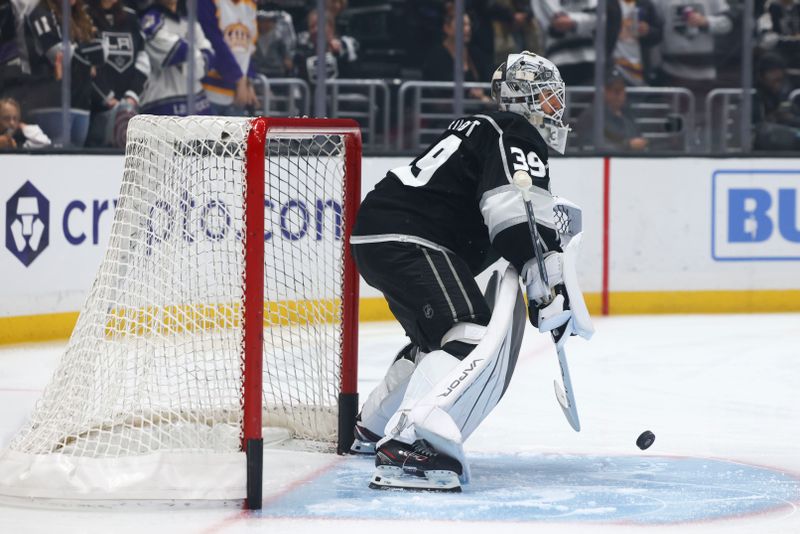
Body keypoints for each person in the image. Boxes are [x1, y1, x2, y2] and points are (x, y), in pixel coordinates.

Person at [348, 51, 594, 492]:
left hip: (381, 231)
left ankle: (370, 427)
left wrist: (545, 285)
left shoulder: (483, 126)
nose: (558, 111)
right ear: (528, 100)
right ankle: (411, 444)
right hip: (411, 237)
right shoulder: (515, 132)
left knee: (437, 342)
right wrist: (548, 289)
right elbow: (515, 218)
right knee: (469, 335)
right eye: (551, 101)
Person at [85, 0, 149, 147]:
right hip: (95, 111)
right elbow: (87, 63)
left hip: (128, 111)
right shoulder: (85, 15)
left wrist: (132, 96)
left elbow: (143, 60)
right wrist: (107, 97)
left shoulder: (131, 17)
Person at [139, 0, 214, 115]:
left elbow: (209, 55)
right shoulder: (149, 20)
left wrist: (191, 56)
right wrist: (195, 53)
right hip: (162, 103)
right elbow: (175, 52)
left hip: (198, 102)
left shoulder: (189, 21)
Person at [197, 0, 259, 115]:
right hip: (207, 93)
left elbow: (249, 46)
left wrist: (248, 81)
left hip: (237, 95)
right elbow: (213, 42)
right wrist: (239, 79)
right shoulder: (207, 2)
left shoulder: (249, 5)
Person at [422, 7, 492, 104]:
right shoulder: (436, 56)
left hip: (474, 111)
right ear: (447, 28)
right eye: (462, 25)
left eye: (469, 25)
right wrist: (470, 92)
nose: (468, 29)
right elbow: (441, 89)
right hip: (444, 114)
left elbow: (486, 81)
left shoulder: (475, 55)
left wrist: (482, 95)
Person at [573, 68, 648, 151]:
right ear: (603, 91)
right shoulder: (590, 116)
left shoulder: (629, 115)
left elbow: (638, 139)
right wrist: (627, 145)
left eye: (621, 89)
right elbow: (590, 146)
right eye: (613, 90)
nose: (618, 95)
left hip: (632, 162)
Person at [752, 53, 800, 151]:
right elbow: (755, 125)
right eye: (774, 80)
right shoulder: (754, 96)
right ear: (762, 76)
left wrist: (790, 117)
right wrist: (773, 116)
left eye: (780, 80)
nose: (778, 84)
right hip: (763, 145)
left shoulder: (787, 93)